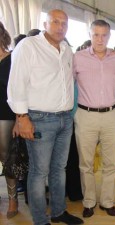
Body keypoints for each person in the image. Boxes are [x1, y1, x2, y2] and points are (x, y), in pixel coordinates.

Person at [7, 9, 83, 225]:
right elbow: (16, 83)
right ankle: (41, 220)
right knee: (40, 173)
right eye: (55, 22)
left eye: (64, 23)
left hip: (65, 119)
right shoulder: (29, 46)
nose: (60, 27)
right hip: (39, 119)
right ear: (45, 23)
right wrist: (22, 117)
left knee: (59, 169)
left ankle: (59, 211)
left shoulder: (67, 49)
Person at [73, 19, 115, 218]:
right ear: (90, 35)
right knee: (85, 163)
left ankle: (107, 201)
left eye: (104, 35)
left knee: (110, 162)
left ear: (109, 36)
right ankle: (88, 202)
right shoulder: (77, 58)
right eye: (96, 34)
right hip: (85, 116)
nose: (100, 39)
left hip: (111, 116)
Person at [0, 21, 19, 219]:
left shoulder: (12, 58)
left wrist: (20, 118)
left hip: (5, 115)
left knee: (7, 159)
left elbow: (18, 89)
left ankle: (13, 199)